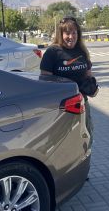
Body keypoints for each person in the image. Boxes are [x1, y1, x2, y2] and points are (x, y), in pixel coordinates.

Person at [40, 17, 98, 146]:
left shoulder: (82, 51)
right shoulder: (52, 53)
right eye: (67, 33)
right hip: (61, 107)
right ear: (61, 35)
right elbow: (45, 82)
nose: (71, 37)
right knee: (62, 143)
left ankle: (84, 162)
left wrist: (91, 86)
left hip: (81, 103)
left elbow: (88, 75)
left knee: (86, 136)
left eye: (74, 33)